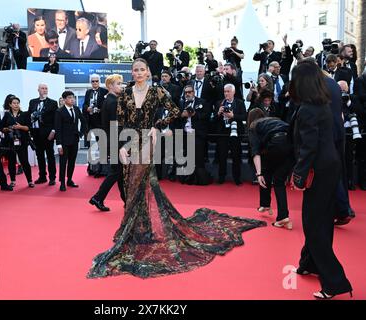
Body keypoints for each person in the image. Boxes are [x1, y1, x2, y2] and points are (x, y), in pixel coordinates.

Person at [87, 58, 266, 279]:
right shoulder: (124, 95)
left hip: (146, 143)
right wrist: (119, 147)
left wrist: (157, 126)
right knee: (132, 185)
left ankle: (141, 229)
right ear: (132, 73)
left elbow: (174, 111)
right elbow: (119, 123)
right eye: (135, 70)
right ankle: (136, 229)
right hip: (129, 143)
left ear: (148, 72)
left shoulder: (157, 93)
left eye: (142, 69)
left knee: (142, 184)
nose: (139, 73)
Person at [289, 61, 352, 299]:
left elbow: (308, 148)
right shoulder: (322, 104)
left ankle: (335, 282)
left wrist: (298, 176)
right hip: (331, 166)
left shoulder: (307, 109)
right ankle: (310, 263)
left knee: (314, 224)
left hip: (318, 170)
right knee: (322, 220)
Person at [247, 108, 293, 229]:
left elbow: (255, 152)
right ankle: (282, 215)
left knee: (265, 170)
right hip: (291, 145)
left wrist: (258, 174)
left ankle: (266, 204)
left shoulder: (253, 126)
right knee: (279, 182)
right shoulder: (275, 120)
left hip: (276, 143)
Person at [89, 74, 126, 211]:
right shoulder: (113, 102)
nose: (121, 86)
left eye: (121, 84)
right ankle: (98, 197)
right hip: (115, 141)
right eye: (118, 84)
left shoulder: (108, 100)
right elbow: (115, 125)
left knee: (119, 172)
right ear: (110, 86)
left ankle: (126, 200)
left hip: (112, 140)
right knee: (116, 172)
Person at [214, 84, 247, 185]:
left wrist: (233, 116)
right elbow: (213, 120)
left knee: (236, 156)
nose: (226, 93)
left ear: (233, 92)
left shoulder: (240, 103)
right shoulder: (219, 103)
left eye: (228, 91)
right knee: (222, 156)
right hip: (222, 133)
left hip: (235, 133)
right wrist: (218, 113)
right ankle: (221, 177)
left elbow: (244, 117)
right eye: (225, 91)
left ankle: (237, 178)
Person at [55, 91, 87, 191]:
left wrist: (81, 133)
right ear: (64, 100)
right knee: (63, 162)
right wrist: (59, 144)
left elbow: (83, 121)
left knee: (72, 161)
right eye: (69, 98)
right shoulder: (59, 111)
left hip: (74, 140)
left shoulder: (77, 109)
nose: (72, 99)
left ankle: (69, 179)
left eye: (73, 97)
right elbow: (58, 129)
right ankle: (62, 182)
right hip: (64, 141)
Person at [0, 96, 34, 188]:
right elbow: (1, 127)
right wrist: (7, 129)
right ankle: (13, 181)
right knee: (11, 162)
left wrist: (20, 127)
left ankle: (30, 181)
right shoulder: (7, 115)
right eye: (14, 103)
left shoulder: (25, 114)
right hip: (10, 142)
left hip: (22, 141)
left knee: (24, 161)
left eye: (17, 103)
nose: (16, 105)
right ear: (10, 104)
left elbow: (28, 128)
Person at [28, 84, 58, 185]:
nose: (45, 90)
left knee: (50, 156)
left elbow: (55, 119)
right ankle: (42, 176)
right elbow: (29, 115)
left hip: (48, 134)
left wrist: (53, 131)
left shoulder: (53, 103)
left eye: (46, 88)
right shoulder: (32, 102)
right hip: (36, 133)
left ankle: (52, 177)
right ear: (38, 90)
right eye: (43, 88)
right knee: (39, 156)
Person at [82, 75, 109, 176]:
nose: (94, 83)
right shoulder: (88, 92)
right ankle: (91, 167)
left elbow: (106, 106)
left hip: (100, 123)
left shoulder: (104, 91)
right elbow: (84, 104)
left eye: (96, 81)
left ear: (99, 81)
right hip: (90, 122)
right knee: (90, 147)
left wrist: (99, 109)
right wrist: (87, 108)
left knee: (102, 146)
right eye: (93, 81)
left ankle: (101, 169)